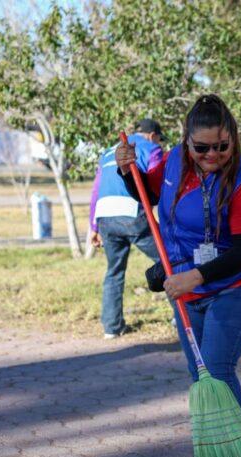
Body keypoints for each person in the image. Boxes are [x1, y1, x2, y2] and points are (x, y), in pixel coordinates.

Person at [115, 94, 241, 413]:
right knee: (199, 376)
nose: (212, 154)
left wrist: (194, 276)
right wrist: (126, 171)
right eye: (202, 147)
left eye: (222, 146)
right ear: (187, 142)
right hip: (190, 287)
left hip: (238, 286)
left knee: (216, 370)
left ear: (233, 139)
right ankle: (214, 451)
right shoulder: (175, 159)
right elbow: (150, 193)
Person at [88, 119, 164, 339]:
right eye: (159, 138)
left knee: (114, 270)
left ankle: (111, 328)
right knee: (169, 262)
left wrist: (94, 226)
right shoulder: (151, 148)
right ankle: (181, 316)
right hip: (131, 212)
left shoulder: (109, 151)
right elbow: (155, 182)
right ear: (152, 135)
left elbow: (96, 189)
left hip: (105, 215)